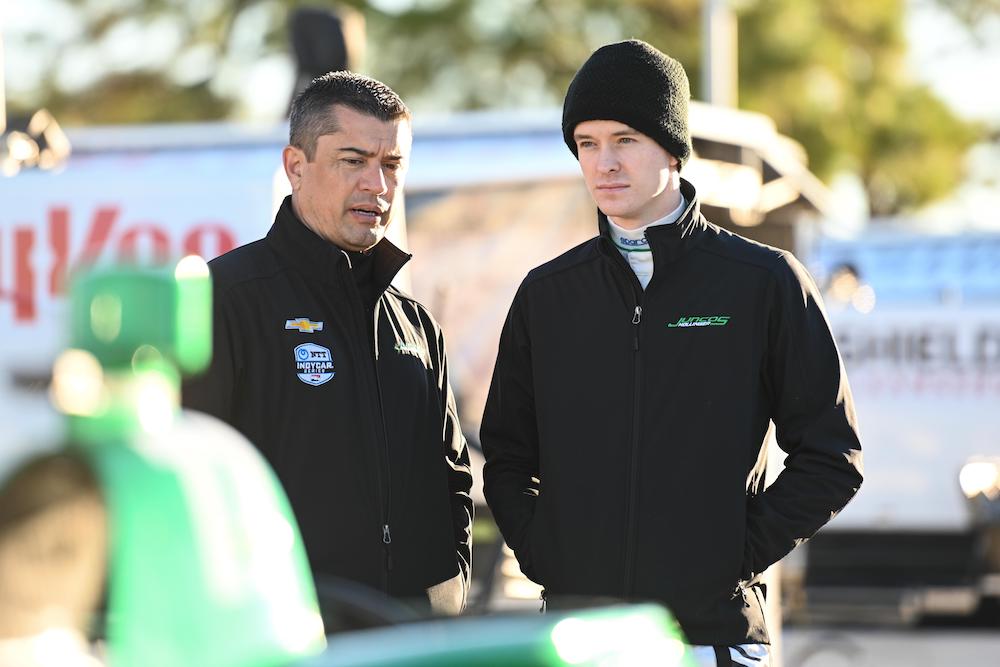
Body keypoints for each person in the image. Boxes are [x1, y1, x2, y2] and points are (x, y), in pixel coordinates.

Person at [480, 40, 863, 666]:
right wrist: (547, 553)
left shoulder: (763, 282)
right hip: (581, 639)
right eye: (587, 144)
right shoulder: (547, 296)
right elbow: (507, 456)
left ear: (673, 148)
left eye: (625, 140)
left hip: (712, 635)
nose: (604, 163)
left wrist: (732, 551)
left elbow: (832, 455)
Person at [183, 71, 472, 618]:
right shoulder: (224, 300)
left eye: (391, 166)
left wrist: (447, 595)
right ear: (296, 166)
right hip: (286, 638)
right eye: (352, 161)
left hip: (414, 639)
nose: (377, 186)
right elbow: (193, 483)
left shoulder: (414, 324)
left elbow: (452, 480)